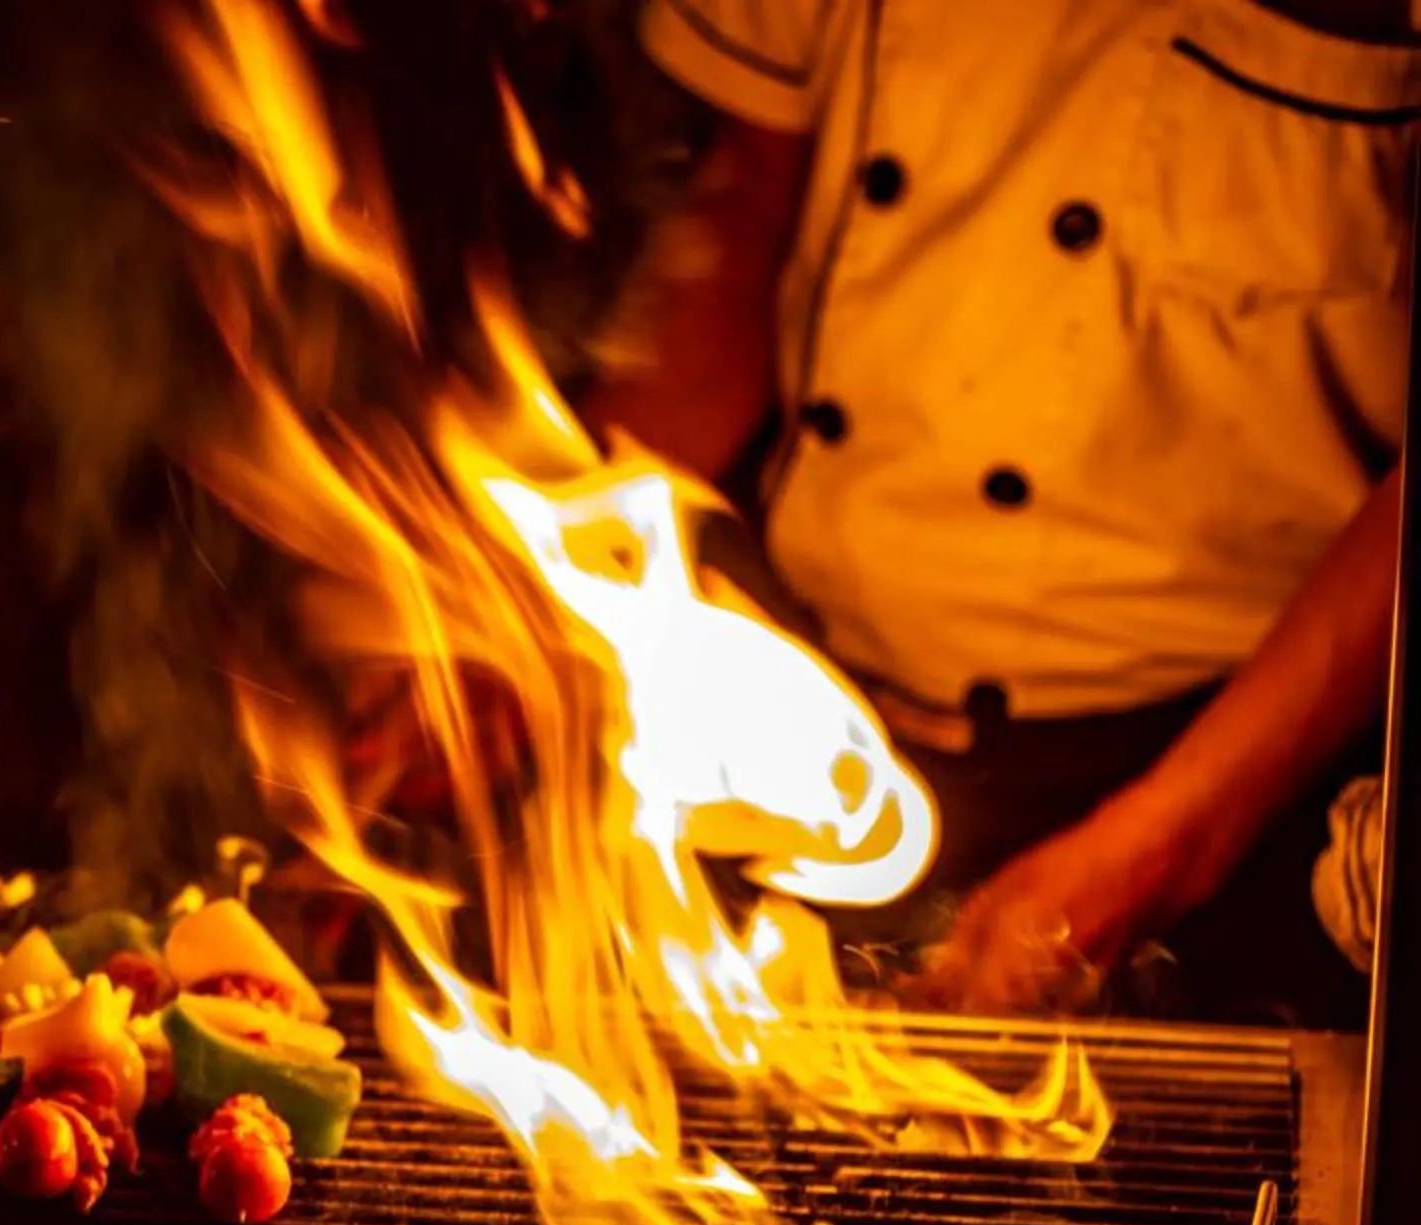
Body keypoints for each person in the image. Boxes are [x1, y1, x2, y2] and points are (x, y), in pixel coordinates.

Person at [585, 0, 1414, 1022]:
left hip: (1239, 749)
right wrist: (550, 582)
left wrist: (1170, 837)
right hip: (821, 699)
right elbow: (736, 229)